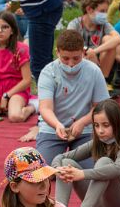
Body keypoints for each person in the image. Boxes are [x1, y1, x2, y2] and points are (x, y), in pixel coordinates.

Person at [52, 100, 120, 207]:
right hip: (97, 202)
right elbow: (61, 157)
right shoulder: (96, 143)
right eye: (96, 126)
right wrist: (58, 169)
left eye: (105, 125)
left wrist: (82, 174)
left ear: (118, 124)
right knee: (66, 163)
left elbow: (117, 169)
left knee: (104, 163)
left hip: (119, 203)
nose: (100, 130)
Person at [36, 30, 110, 168]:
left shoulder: (94, 71)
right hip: (53, 129)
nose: (71, 64)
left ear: (83, 52)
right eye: (65, 58)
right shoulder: (48, 72)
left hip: (85, 130)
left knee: (92, 170)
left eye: (76, 58)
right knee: (43, 171)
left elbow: (100, 107)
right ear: (57, 52)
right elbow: (45, 108)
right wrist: (57, 125)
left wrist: (82, 122)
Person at [68, 0, 120, 79]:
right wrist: (87, 53)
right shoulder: (75, 24)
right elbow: (69, 44)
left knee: (109, 39)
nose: (105, 15)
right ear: (89, 9)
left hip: (99, 63)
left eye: (106, 11)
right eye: (102, 11)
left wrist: (94, 51)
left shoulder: (104, 25)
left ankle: (103, 80)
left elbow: (118, 39)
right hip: (80, 61)